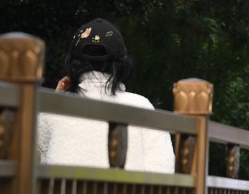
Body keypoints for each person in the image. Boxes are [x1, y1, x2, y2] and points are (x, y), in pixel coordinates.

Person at [36, 18, 176, 172]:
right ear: (121, 64)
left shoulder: (53, 109)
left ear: (71, 62)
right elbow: (164, 167)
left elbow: (31, 159)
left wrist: (55, 100)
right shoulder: (141, 107)